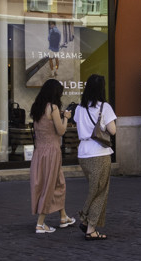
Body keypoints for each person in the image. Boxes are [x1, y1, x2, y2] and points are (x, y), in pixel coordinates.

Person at [74, 74, 117, 241]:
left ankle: (87, 221)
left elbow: (78, 125)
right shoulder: (105, 107)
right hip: (99, 153)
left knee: (94, 188)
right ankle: (89, 226)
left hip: (83, 153)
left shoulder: (79, 108)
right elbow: (113, 130)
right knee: (100, 191)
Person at [28, 80, 74, 233]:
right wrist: (66, 117)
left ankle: (63, 216)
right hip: (52, 152)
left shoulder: (37, 107)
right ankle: (40, 224)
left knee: (58, 183)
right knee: (49, 186)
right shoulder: (53, 107)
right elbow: (61, 131)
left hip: (39, 152)